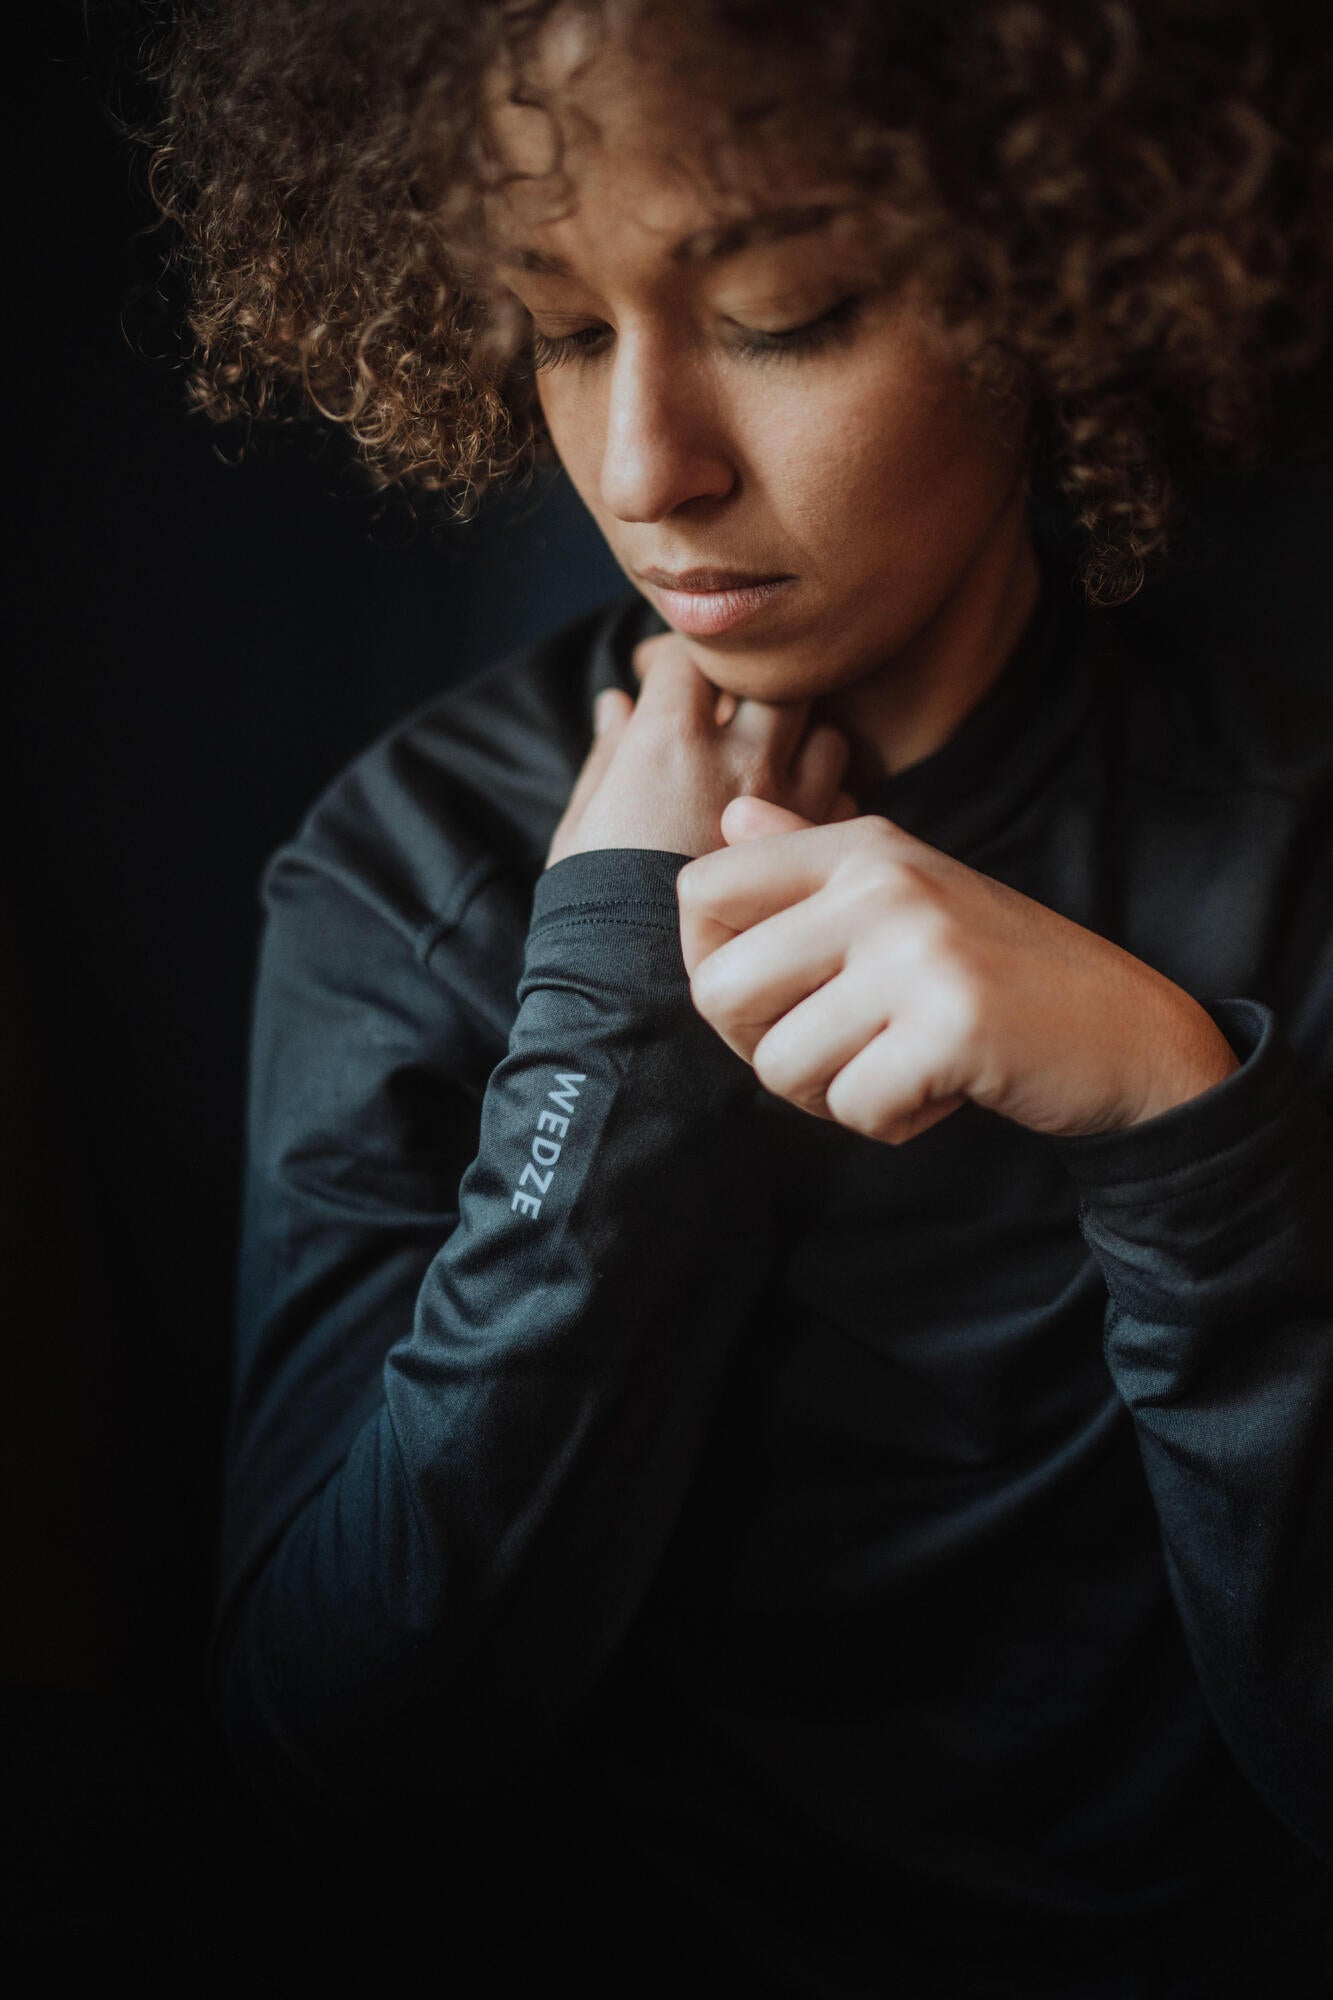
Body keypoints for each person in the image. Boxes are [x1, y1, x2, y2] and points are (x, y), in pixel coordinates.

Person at [151, 1, 1333, 1990]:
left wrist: (1178, 1121)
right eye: (559, 325)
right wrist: (608, 998)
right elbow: (334, 1762)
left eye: (784, 314)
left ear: (1047, 277)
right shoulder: (415, 874)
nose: (645, 468)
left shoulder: (1295, 848)